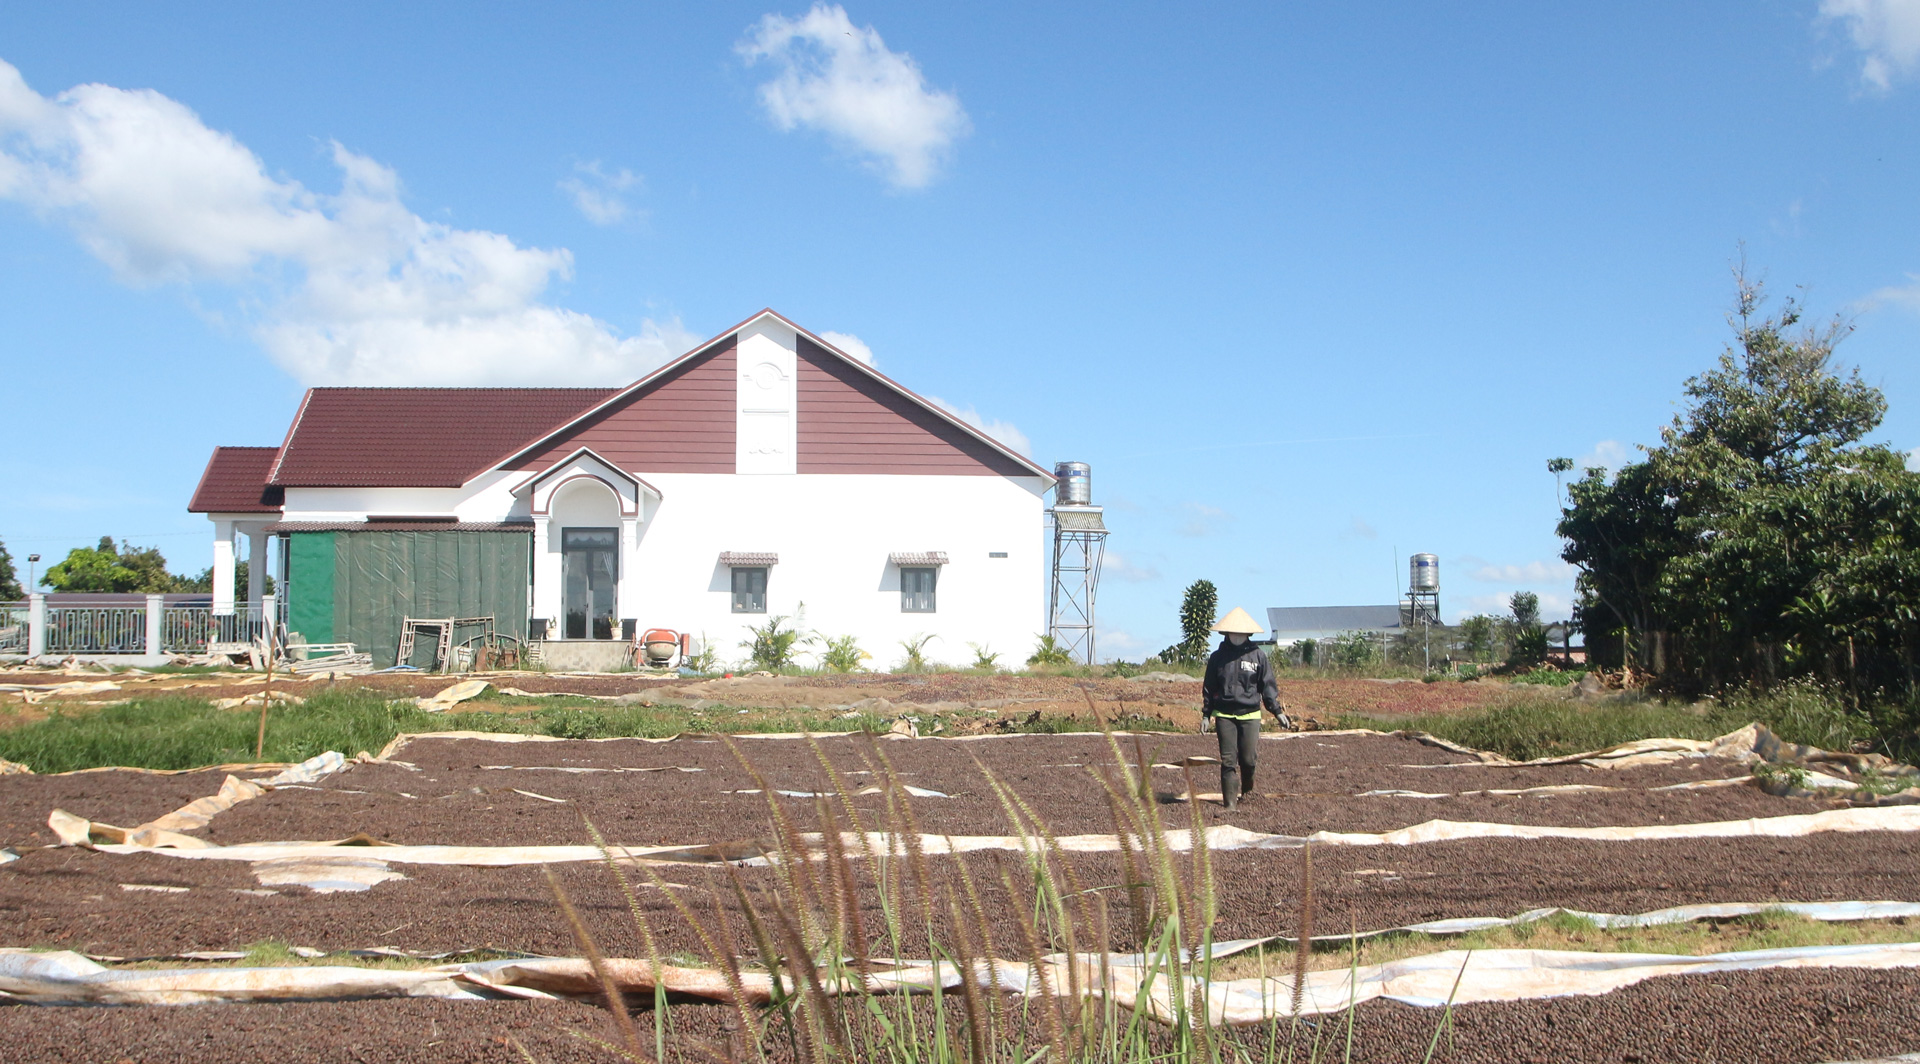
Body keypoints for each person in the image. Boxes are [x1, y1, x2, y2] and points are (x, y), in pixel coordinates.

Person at [1201, 607, 1291, 810]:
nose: (1237, 635)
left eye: (1241, 632)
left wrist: (1277, 711)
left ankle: (1248, 795)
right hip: (1224, 715)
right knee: (1228, 761)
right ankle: (1230, 805)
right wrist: (1206, 714)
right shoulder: (1217, 658)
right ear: (1226, 633)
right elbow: (1209, 687)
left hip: (1250, 715)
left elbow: (1267, 686)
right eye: (1233, 631)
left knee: (1248, 759)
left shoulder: (1258, 657)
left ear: (1248, 633)